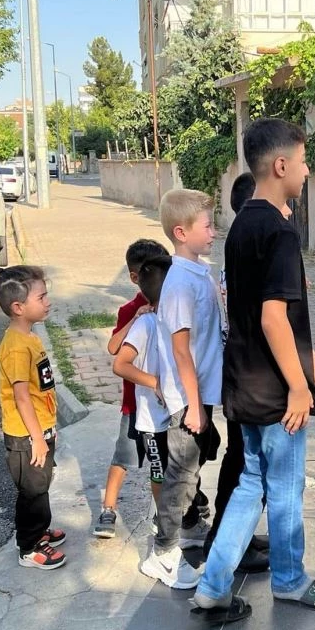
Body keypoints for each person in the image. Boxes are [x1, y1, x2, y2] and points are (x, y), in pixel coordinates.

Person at [192, 117, 315, 624]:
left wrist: (312, 363)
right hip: (277, 392)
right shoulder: (280, 232)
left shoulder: (240, 226)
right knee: (284, 488)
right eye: (302, 161)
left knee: (251, 482)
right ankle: (290, 579)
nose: (306, 170)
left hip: (245, 383)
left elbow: (257, 318)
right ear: (281, 165)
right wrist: (299, 386)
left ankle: (213, 585)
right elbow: (272, 318)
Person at [139, 188, 223, 589]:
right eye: (207, 225)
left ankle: (184, 532)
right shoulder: (178, 285)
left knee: (194, 467)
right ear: (181, 232)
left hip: (200, 394)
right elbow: (180, 349)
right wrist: (193, 404)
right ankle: (163, 553)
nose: (213, 231)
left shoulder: (198, 272)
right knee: (181, 478)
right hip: (187, 399)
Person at [0, 259, 67, 571]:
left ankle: (37, 530)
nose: (47, 301)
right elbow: (21, 396)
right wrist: (37, 438)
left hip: (40, 428)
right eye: (41, 297)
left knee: (40, 484)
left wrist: (47, 429)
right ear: (18, 307)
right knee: (33, 491)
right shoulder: (16, 346)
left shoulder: (28, 336)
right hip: (27, 435)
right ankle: (29, 547)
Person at [204, 171, 270, 573]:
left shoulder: (242, 247)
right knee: (245, 462)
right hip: (247, 372)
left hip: (240, 369)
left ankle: (232, 535)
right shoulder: (249, 249)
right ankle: (225, 541)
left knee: (242, 458)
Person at [94, 239, 169, 539]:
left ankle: (162, 512)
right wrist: (136, 317)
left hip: (163, 405)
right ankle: (108, 509)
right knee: (123, 457)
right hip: (134, 403)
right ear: (135, 277)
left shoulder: (169, 303)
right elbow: (114, 348)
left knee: (161, 464)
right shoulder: (130, 309)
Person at [112, 255, 173, 517]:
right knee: (159, 471)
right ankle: (162, 518)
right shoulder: (145, 323)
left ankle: (176, 513)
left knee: (176, 468)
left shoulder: (173, 319)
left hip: (175, 412)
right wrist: (155, 383)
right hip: (152, 418)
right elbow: (120, 364)